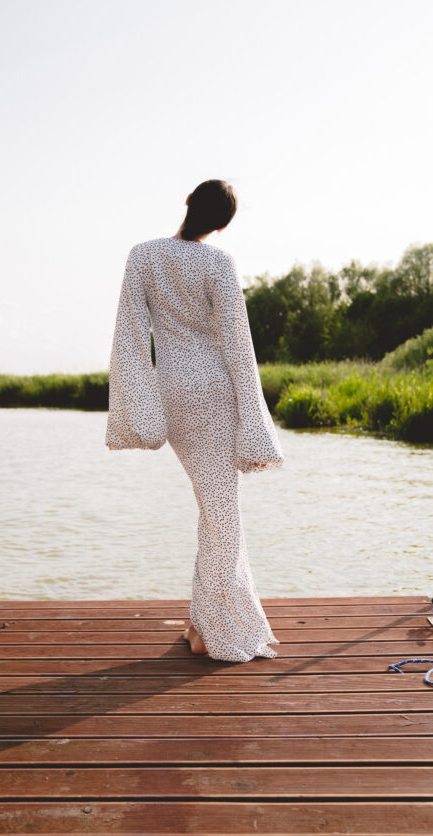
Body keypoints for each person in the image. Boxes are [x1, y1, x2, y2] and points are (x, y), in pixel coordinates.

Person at [105, 179, 284, 662]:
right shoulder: (220, 263)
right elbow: (238, 346)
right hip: (215, 394)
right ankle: (219, 631)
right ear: (223, 225)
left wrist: (140, 410)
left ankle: (201, 623)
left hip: (174, 395)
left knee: (214, 510)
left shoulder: (142, 255)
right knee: (223, 514)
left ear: (187, 202)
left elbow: (130, 335)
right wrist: (255, 424)